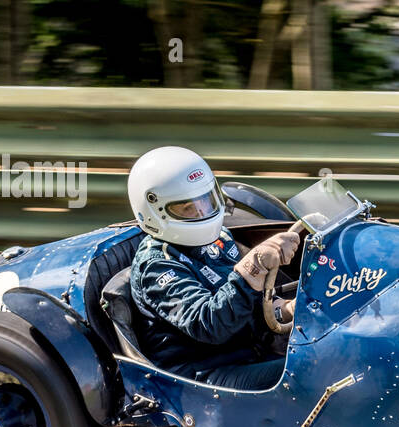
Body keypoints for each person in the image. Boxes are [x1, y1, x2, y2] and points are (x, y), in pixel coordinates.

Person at [126, 146, 299, 390]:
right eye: (187, 208)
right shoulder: (156, 265)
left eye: (205, 202)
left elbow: (244, 304)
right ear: (155, 211)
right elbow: (211, 325)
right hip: (200, 377)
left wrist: (288, 309)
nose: (201, 212)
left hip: (246, 354)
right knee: (313, 370)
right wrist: (253, 266)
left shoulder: (219, 238)